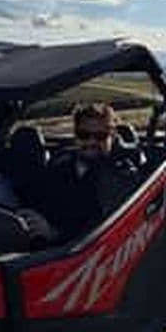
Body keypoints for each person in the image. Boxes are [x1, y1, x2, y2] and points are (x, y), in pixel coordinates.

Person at [45, 102, 143, 240]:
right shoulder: (60, 163)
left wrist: (55, 233)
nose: (91, 142)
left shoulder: (122, 175)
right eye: (84, 135)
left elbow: (111, 232)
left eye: (100, 136)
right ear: (75, 135)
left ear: (112, 135)